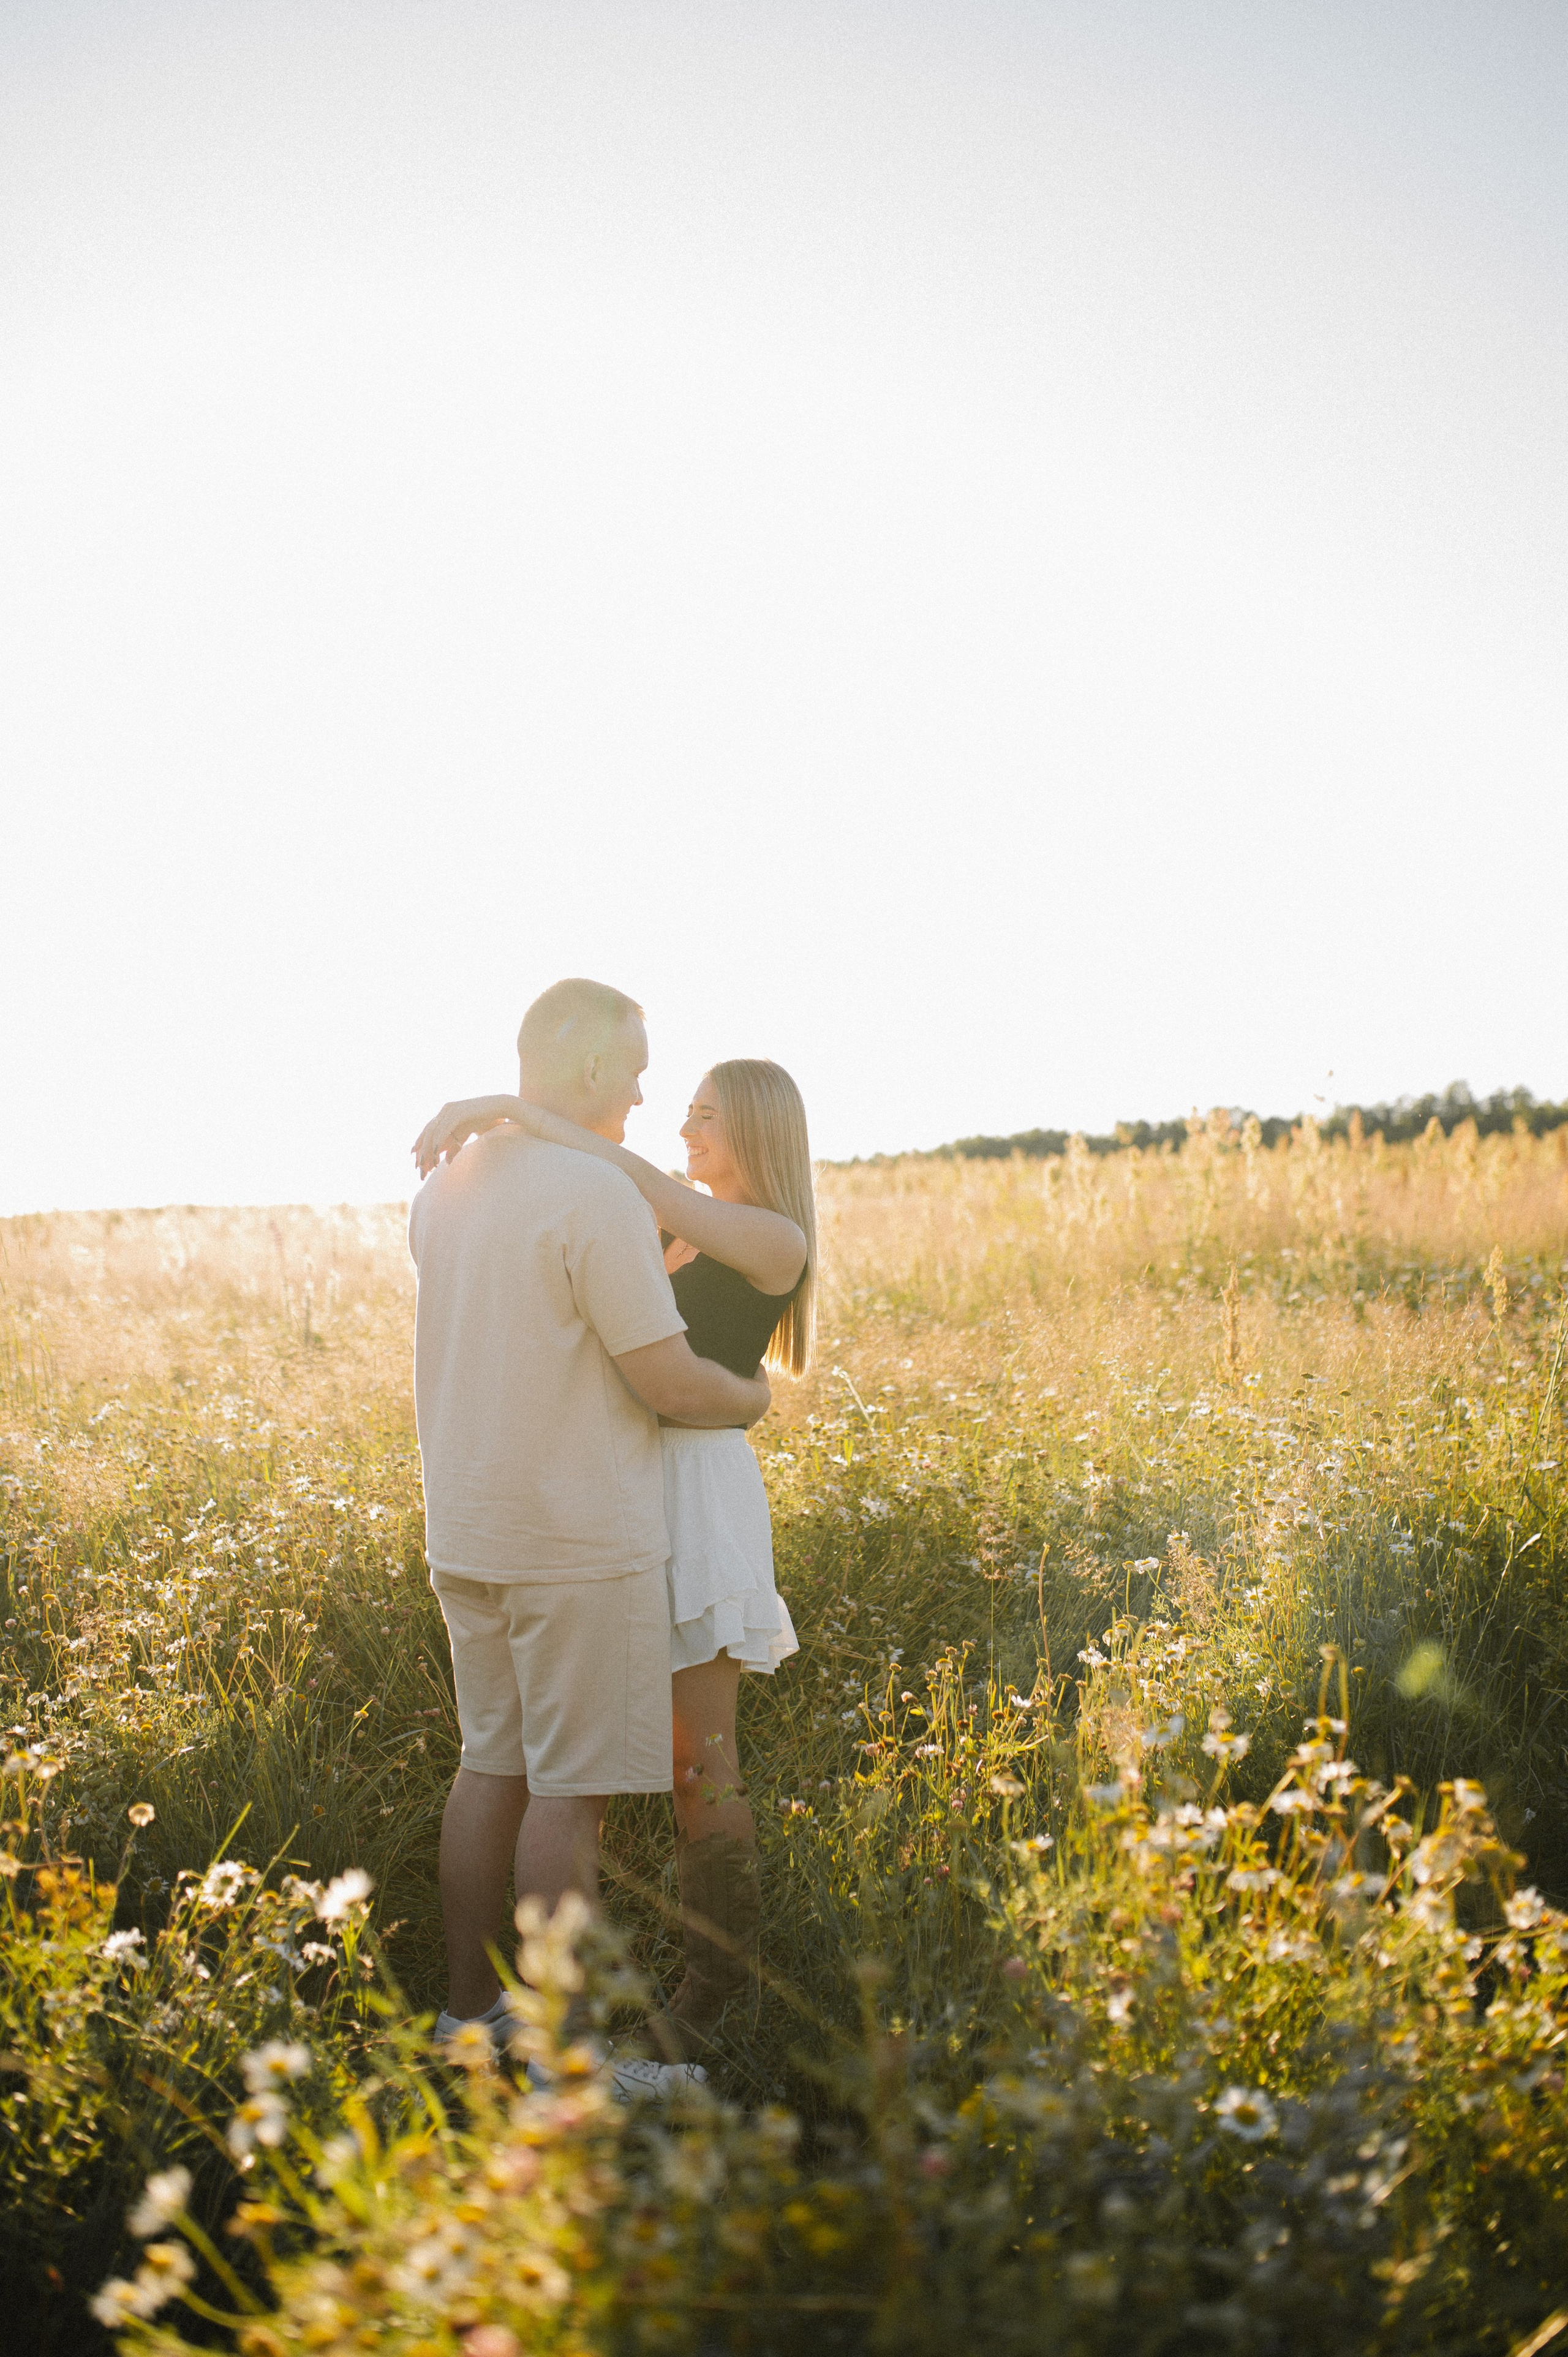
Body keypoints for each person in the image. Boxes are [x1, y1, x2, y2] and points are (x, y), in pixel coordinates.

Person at [413, 1054, 815, 2065]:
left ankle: (710, 2000)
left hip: (697, 1494)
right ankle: (555, 2011)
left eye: (707, 1115)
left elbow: (630, 1177)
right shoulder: (667, 1224)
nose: (684, 1129)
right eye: (686, 1112)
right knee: (591, 1764)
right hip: (617, 1487)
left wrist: (514, 1108)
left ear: (757, 1129)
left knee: (699, 1762)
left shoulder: (772, 1236)